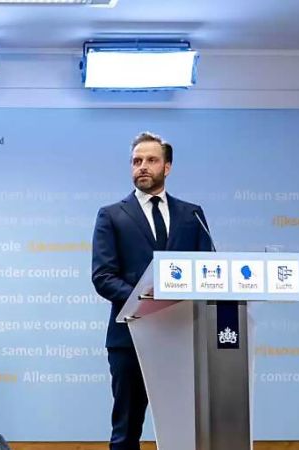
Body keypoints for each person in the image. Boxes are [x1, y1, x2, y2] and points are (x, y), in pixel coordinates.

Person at [91, 132, 213, 450]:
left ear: (167, 167)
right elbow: (103, 276)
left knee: (183, 426)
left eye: (151, 160)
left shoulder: (193, 215)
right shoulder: (111, 215)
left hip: (181, 334)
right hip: (129, 338)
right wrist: (146, 299)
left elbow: (209, 270)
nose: (142, 167)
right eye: (137, 161)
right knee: (127, 428)